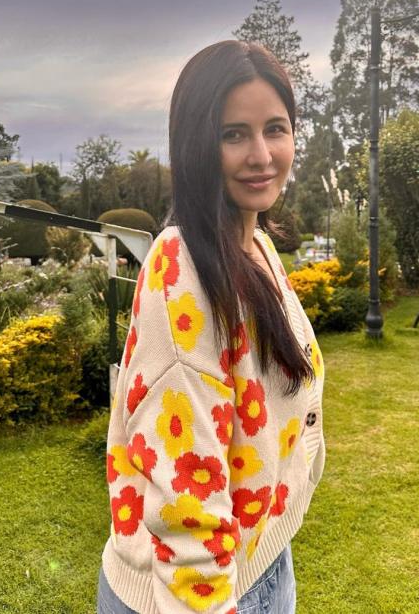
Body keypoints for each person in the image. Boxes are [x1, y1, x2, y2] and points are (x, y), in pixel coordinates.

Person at [98, 40, 326, 614]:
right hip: (199, 589)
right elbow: (187, 492)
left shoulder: (256, 248)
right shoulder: (183, 270)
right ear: (197, 145)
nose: (261, 155)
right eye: (233, 135)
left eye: (275, 129)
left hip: (259, 557)